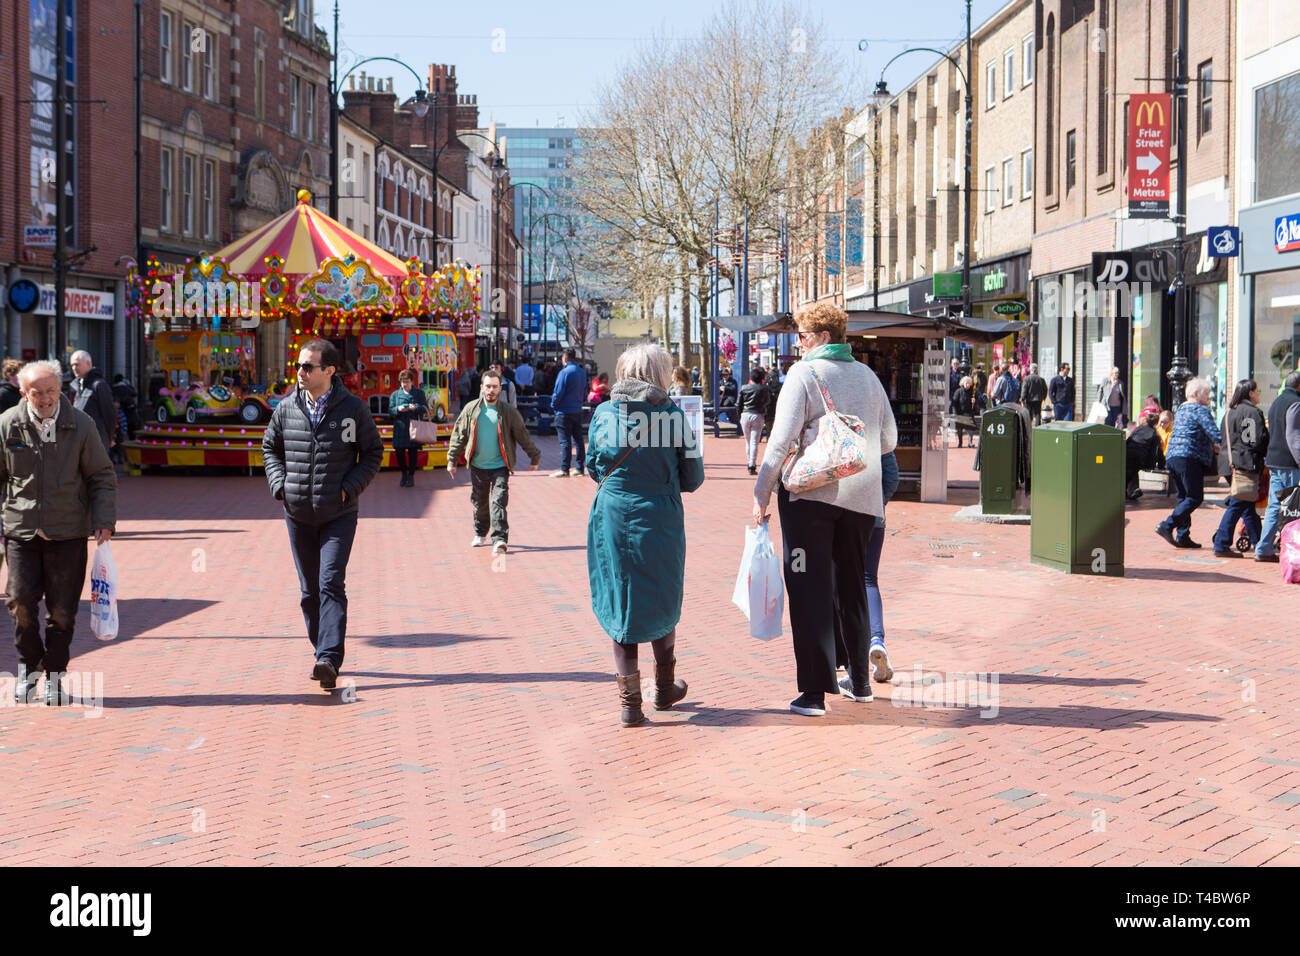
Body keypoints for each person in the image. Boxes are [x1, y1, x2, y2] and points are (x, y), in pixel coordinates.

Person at [753, 302, 896, 716]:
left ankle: (814, 692)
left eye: (804, 335)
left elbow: (780, 441)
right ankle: (861, 682)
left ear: (823, 337)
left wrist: (762, 491)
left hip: (811, 498)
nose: (799, 343)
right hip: (862, 497)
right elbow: (887, 439)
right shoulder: (868, 376)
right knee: (851, 585)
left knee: (808, 587)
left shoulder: (804, 374)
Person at [586, 344, 704, 727]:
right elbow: (694, 477)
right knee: (661, 592)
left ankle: (630, 704)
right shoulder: (672, 416)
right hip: (659, 517)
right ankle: (665, 688)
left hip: (613, 517)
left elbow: (592, 466)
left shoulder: (604, 413)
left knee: (621, 599)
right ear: (660, 374)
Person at [262, 339, 384, 691]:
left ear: (329, 371)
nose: (300, 372)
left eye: (308, 366)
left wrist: (349, 487)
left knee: (330, 582)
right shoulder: (286, 409)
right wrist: (280, 485)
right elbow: (270, 447)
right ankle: (322, 651)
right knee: (308, 591)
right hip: (297, 512)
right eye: (299, 366)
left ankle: (329, 657)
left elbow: (373, 453)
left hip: (338, 513)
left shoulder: (353, 410)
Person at [1, 360, 116, 706]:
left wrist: (104, 519)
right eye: (38, 393)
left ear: (61, 389)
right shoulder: (7, 425)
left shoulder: (80, 425)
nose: (46, 398)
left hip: (68, 532)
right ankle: (29, 668)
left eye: (52, 390)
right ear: (24, 394)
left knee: (62, 611)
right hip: (22, 531)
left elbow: (101, 476)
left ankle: (54, 676)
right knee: (20, 602)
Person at [447, 369, 541, 554]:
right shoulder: (471, 409)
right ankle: (480, 532)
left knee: (498, 501)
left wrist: (534, 456)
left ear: (500, 389)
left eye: (495, 387)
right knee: (480, 502)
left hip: (500, 465)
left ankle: (499, 539)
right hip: (477, 465)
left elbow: (523, 435)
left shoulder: (508, 412)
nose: (491, 390)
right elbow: (459, 435)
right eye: (488, 386)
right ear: (482, 387)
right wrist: (451, 459)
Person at [1155, 378, 1221, 550]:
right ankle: (1167, 525)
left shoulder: (1181, 409)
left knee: (1183, 498)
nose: (1209, 397)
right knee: (1195, 497)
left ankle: (1183, 536)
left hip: (1173, 457)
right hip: (1189, 457)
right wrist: (1223, 445)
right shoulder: (1200, 410)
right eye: (1206, 393)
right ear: (1196, 394)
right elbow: (1213, 432)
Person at [1213, 379, 1268, 558]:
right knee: (1237, 505)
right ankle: (1221, 544)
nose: (1259, 394)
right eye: (1257, 391)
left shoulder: (1230, 413)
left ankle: (1259, 543)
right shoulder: (1252, 412)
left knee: (1247, 505)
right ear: (1250, 392)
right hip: (1244, 465)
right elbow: (1254, 441)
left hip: (1229, 463)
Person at [1254, 370, 1300, 562]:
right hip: (1290, 463)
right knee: (1293, 508)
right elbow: (1293, 436)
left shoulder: (1276, 402)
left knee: (1275, 506)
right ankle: (1292, 550)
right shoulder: (1295, 403)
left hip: (1274, 461)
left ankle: (1264, 548)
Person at [550, 348, 588, 477]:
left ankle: (564, 468)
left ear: (565, 358)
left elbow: (558, 392)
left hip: (564, 411)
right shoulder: (581, 372)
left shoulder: (564, 372)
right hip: (577, 410)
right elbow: (584, 392)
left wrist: (553, 405)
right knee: (579, 440)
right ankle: (579, 468)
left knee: (565, 441)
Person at [69, 350, 116, 454]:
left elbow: (109, 414)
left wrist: (110, 437)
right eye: (72, 365)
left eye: (77, 364)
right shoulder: (75, 386)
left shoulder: (99, 385)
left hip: (97, 440)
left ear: (88, 364)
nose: (74, 368)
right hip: (80, 440)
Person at [388, 368, 429, 488]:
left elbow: (425, 409)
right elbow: (390, 411)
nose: (404, 384)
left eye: (407, 381)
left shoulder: (419, 393)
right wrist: (398, 409)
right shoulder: (395, 395)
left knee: (413, 452)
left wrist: (415, 407)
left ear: (412, 381)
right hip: (400, 427)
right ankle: (404, 474)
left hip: (414, 427)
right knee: (399, 451)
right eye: (402, 381)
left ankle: (411, 476)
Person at [737, 367, 771, 475]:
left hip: (745, 414)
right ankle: (752, 465)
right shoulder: (763, 389)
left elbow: (739, 404)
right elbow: (767, 401)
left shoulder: (744, 388)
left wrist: (739, 416)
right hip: (757, 414)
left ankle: (749, 462)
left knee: (748, 441)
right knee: (754, 441)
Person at [1125, 411, 1164, 500]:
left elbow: (1129, 440)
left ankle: (1132, 490)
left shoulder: (1139, 428)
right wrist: (1152, 465)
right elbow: (1153, 452)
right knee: (1132, 471)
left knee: (1129, 471)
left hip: (1128, 452)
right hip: (1140, 456)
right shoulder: (1155, 434)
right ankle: (1134, 489)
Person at [952, 375, 978, 448]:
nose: (968, 385)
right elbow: (954, 403)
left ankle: (970, 442)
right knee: (959, 428)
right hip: (960, 412)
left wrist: (974, 401)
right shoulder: (958, 391)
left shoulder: (972, 392)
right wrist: (955, 413)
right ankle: (960, 442)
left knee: (970, 427)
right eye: (966, 383)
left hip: (968, 412)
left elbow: (976, 403)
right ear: (963, 383)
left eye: (969, 383)